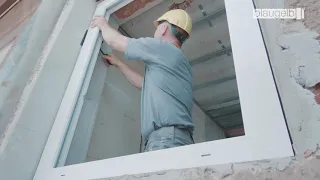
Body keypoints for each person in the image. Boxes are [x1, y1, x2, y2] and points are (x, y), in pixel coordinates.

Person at [90, 9, 194, 152]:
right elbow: (144, 85)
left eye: (158, 27)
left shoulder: (163, 48)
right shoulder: (180, 63)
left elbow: (115, 41)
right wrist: (119, 64)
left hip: (166, 139)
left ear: (164, 28)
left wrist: (102, 24)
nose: (156, 31)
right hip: (176, 139)